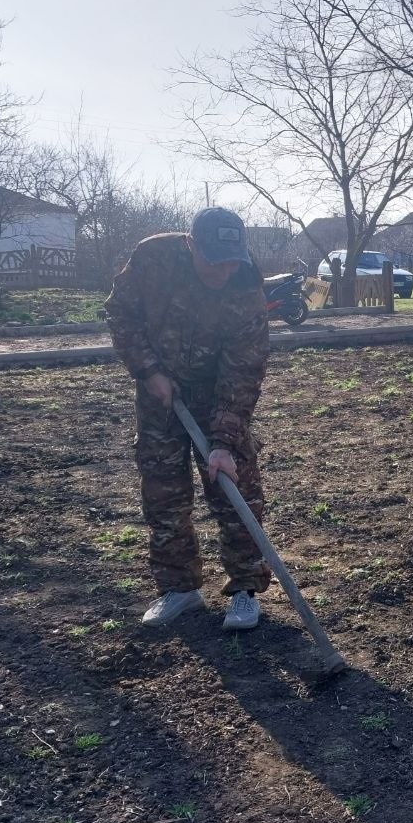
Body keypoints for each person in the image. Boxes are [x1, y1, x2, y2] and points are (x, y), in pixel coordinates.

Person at [105, 207, 273, 629]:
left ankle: (245, 589)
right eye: (213, 261)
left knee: (235, 486)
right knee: (164, 493)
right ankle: (179, 588)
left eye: (232, 261)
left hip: (218, 389)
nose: (223, 271)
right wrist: (148, 371)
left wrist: (223, 442)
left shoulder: (246, 289)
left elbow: (244, 370)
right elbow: (121, 314)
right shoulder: (152, 259)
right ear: (190, 245)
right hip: (160, 392)